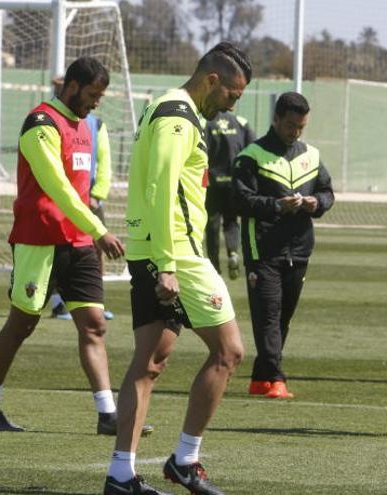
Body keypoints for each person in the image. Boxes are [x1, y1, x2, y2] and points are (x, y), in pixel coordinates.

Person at [104, 42, 251, 495]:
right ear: (212, 81)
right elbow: (161, 186)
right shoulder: (177, 116)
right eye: (232, 94)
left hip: (154, 250)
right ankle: (185, 459)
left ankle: (121, 475)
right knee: (229, 352)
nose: (231, 105)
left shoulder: (162, 107)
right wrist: (167, 265)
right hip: (177, 254)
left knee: (149, 363)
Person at [0, 57, 137, 436]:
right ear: (73, 86)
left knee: (94, 325)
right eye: (93, 95)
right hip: (39, 240)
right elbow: (57, 187)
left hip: (78, 241)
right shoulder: (41, 124)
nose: (96, 103)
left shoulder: (87, 126)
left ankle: (108, 414)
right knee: (21, 324)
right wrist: (99, 228)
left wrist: (90, 229)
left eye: (101, 97)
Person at [232, 92, 334, 400]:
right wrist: (278, 206)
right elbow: (240, 201)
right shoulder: (250, 156)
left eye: (301, 127)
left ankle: (260, 379)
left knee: (282, 317)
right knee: (268, 315)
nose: (295, 132)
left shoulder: (311, 156)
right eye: (290, 125)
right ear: (276, 119)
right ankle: (276, 378)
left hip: (300, 248)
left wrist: (316, 203)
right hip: (263, 248)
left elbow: (327, 191)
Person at [49, 80, 115, 321]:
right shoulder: (48, 121)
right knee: (59, 251)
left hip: (90, 201)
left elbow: (104, 161)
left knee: (97, 249)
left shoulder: (96, 124)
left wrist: (98, 194)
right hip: (61, 201)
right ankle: (58, 303)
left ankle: (95, 301)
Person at [204, 111, 254, 280]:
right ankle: (232, 252)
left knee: (212, 223)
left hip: (212, 182)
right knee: (231, 221)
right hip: (234, 182)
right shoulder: (241, 122)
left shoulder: (207, 123)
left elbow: (201, 153)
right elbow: (252, 150)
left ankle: (214, 266)